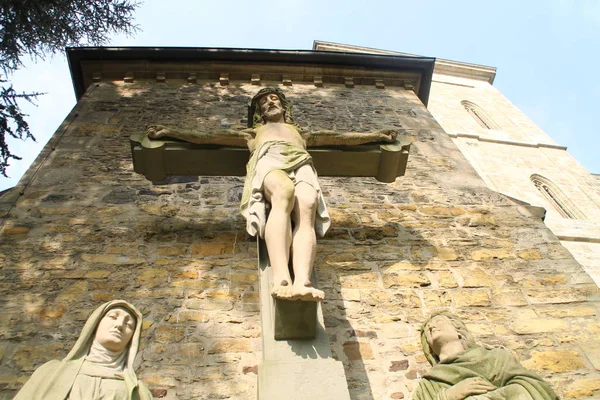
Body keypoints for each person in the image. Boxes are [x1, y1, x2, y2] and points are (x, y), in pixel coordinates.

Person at [147, 87, 396, 301]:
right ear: (259, 113)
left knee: (307, 205)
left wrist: (375, 136)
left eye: (274, 98)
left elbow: (341, 139)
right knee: (283, 193)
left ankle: (302, 281)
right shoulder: (253, 133)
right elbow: (207, 137)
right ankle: (281, 280)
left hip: (301, 161)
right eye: (264, 102)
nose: (270, 102)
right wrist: (170, 133)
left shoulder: (302, 133)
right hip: (269, 159)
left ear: (284, 105)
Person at [14, 300, 152, 400]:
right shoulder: (50, 373)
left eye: (128, 324)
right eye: (113, 317)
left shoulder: (138, 392)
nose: (119, 325)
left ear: (132, 339)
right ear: (95, 324)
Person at [413, 311, 558, 400]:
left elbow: (533, 388)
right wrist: (448, 396)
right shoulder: (428, 385)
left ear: (459, 331)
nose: (431, 327)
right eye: (427, 330)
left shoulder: (496, 359)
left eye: (439, 322)